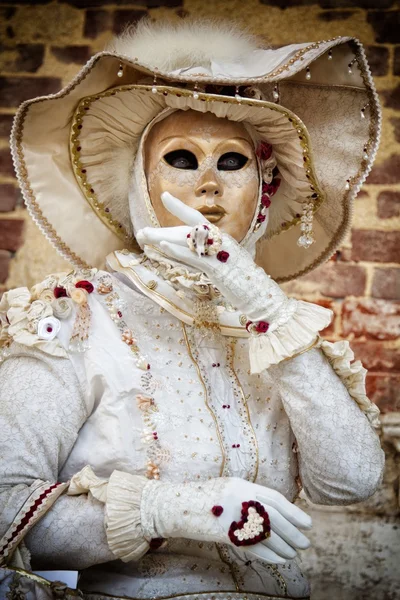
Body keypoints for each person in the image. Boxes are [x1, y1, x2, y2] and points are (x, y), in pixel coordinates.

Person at [0, 19, 384, 600]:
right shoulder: (75, 319)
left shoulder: (278, 332)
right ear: (138, 183)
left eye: (232, 162)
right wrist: (170, 511)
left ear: (264, 190)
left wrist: (258, 300)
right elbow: (4, 506)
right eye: (181, 158)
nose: (208, 184)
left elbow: (352, 480)